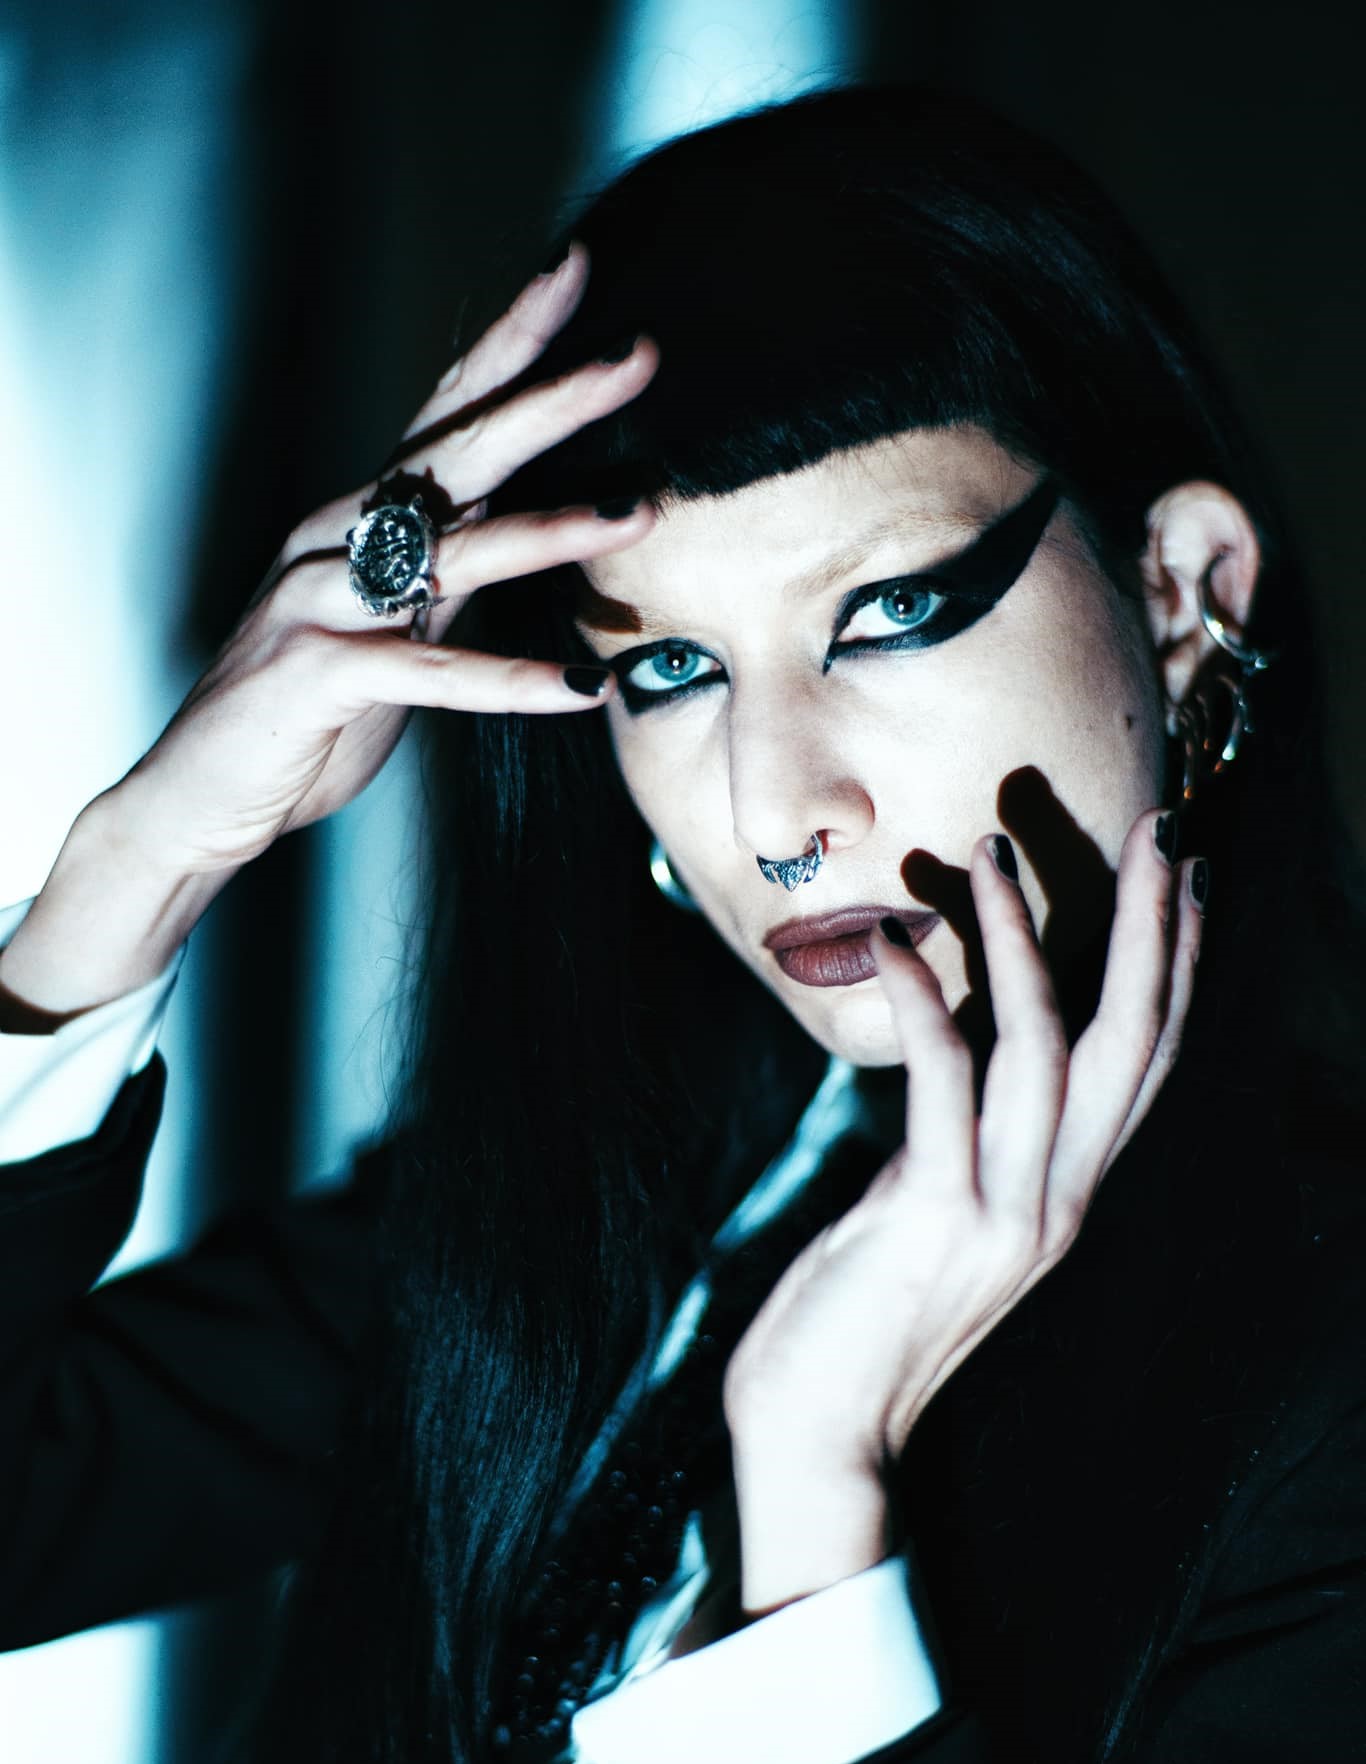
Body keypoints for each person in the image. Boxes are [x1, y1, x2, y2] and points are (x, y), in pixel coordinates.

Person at [1, 84, 1364, 1764]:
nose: (776, 810)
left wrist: (811, 1515)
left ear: (1180, 595)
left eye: (886, 614)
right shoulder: (592, 1188)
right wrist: (136, 862)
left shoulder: (1326, 1400)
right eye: (669, 667)